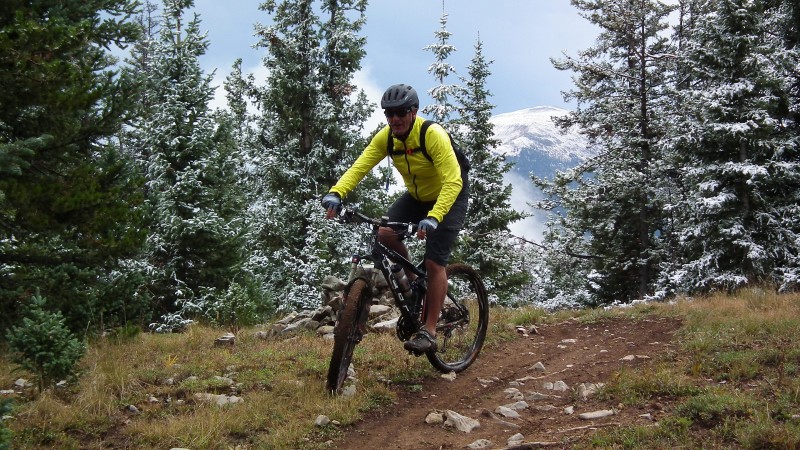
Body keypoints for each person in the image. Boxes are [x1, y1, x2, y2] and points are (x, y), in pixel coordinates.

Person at [321, 83, 469, 354]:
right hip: (416, 196)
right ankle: (415, 281)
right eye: (389, 114)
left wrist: (435, 217)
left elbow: (452, 180)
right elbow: (360, 166)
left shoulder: (432, 135)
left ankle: (430, 330)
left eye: (401, 112)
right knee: (385, 234)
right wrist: (336, 193)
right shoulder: (387, 137)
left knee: (436, 263)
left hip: (450, 195)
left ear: (414, 111)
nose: (395, 119)